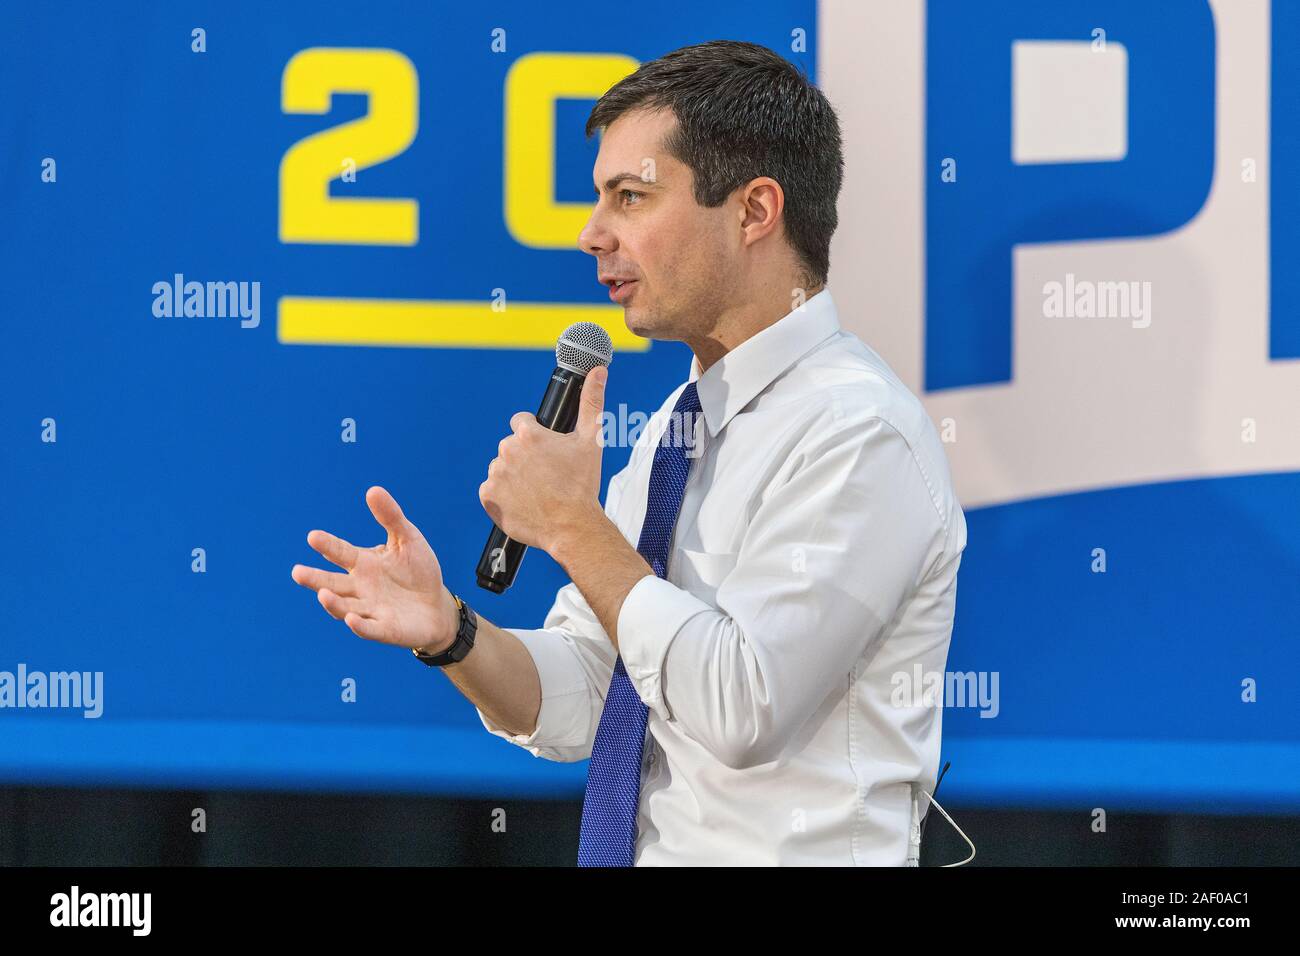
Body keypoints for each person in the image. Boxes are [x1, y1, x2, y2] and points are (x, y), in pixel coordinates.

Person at [291, 40, 966, 866]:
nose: (590, 234)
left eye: (631, 197)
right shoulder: (677, 428)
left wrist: (574, 527)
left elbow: (744, 708)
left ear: (755, 211)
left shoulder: (859, 432)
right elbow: (590, 696)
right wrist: (452, 633)